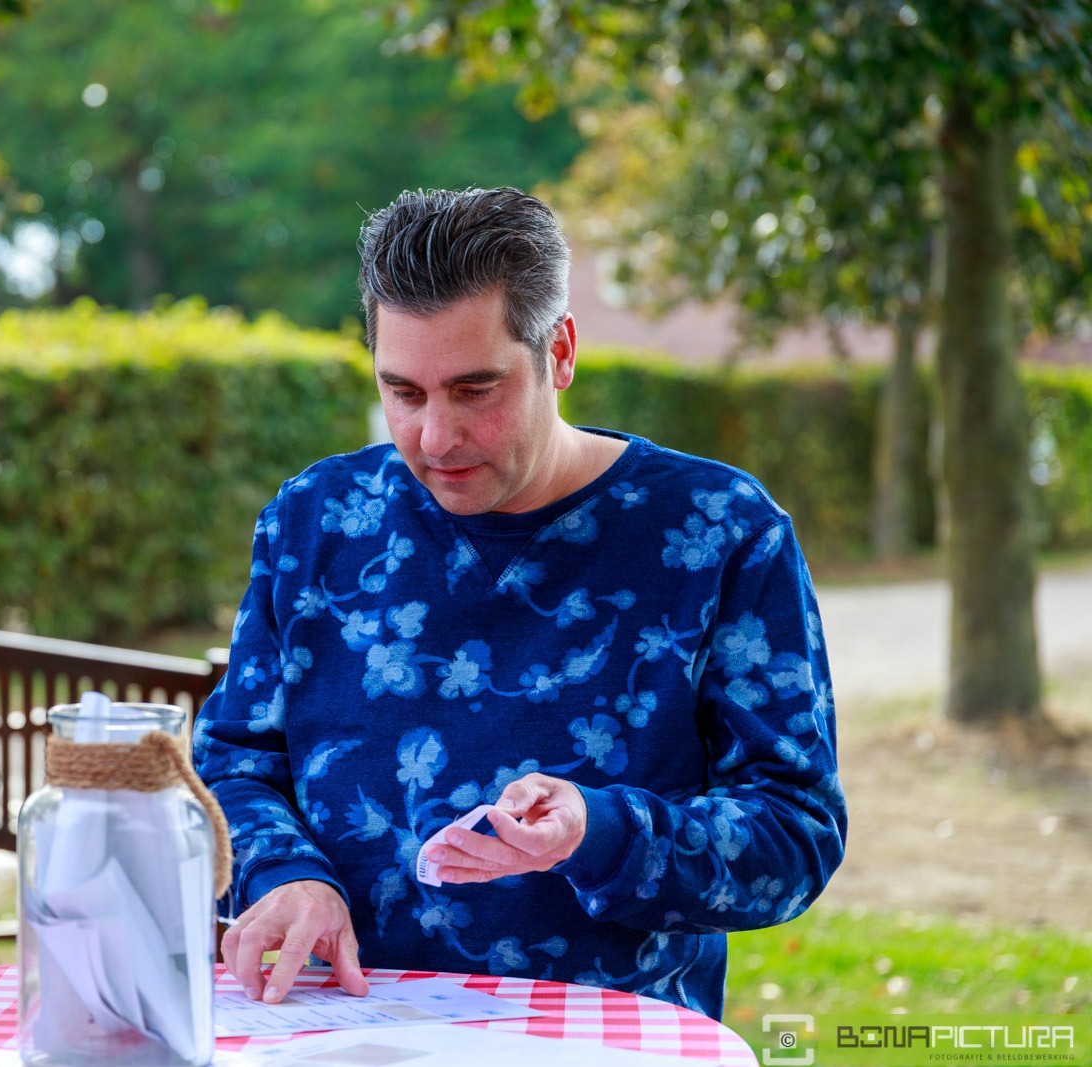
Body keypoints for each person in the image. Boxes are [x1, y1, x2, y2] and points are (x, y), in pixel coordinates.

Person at [194, 186, 846, 1020]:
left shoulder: (721, 531)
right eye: (404, 392)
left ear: (559, 353)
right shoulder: (314, 518)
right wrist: (285, 873)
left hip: (600, 1035)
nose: (435, 437)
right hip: (338, 1025)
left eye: (475, 390)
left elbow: (794, 834)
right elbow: (233, 762)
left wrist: (600, 831)